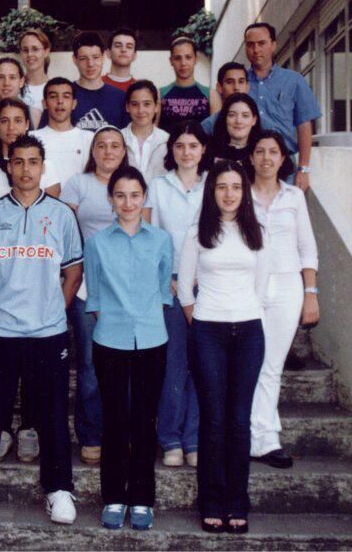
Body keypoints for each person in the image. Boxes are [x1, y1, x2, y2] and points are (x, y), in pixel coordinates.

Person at [0, 134, 83, 525]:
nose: (26, 169)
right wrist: (1, 303)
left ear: (43, 167)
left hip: (47, 332)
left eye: (33, 162)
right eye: (19, 161)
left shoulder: (61, 215)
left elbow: (73, 273)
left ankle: (58, 489)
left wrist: (51, 311)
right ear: (9, 166)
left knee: (53, 414)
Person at [178, 159, 268, 534]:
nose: (229, 194)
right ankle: (212, 502)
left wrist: (243, 315)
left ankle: (237, 502)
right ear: (211, 192)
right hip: (208, 332)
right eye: (221, 187)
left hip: (249, 332)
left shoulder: (257, 232)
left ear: (244, 192)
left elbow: (261, 288)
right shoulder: (197, 234)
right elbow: (185, 290)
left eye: (235, 187)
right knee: (213, 418)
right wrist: (203, 323)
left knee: (239, 420)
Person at [84, 166, 172, 531]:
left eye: (135, 195)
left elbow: (164, 289)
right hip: (110, 339)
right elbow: (94, 295)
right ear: (111, 199)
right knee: (115, 419)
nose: (128, 202)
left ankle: (142, 499)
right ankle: (114, 497)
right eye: (120, 195)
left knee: (145, 420)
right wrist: (116, 321)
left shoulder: (161, 240)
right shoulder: (97, 243)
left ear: (144, 197)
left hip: (152, 338)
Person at [248, 130, 319, 469]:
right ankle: (253, 434)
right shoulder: (239, 193)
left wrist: (310, 294)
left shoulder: (294, 197)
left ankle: (265, 439)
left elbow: (307, 247)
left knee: (272, 364)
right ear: (251, 157)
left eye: (273, 152)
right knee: (252, 362)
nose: (266, 158)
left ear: (282, 158)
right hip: (248, 286)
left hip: (288, 286)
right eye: (260, 151)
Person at [61, 125, 129, 465]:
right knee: (89, 363)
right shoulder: (79, 183)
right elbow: (64, 229)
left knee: (126, 362)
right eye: (101, 145)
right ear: (93, 151)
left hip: (127, 288)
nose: (108, 151)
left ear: (124, 151)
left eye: (115, 145)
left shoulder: (133, 183)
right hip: (88, 285)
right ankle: (90, 434)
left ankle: (121, 432)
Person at [144, 120, 208, 469]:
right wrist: (162, 279)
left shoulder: (213, 185)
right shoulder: (158, 186)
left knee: (201, 364)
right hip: (168, 283)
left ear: (203, 150)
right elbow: (149, 235)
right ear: (172, 150)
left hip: (207, 283)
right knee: (173, 364)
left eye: (193, 145)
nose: (186, 152)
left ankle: (194, 439)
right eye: (180, 145)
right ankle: (170, 438)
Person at [244, 22, 322, 191]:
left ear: (273, 45)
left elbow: (304, 125)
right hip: (248, 166)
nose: (256, 50)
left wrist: (304, 168)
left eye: (262, 43)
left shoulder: (294, 81)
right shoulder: (240, 82)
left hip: (285, 167)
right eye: (250, 44)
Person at [0, 98, 61, 214]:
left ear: (27, 124)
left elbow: (53, 215)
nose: (11, 127)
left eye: (18, 121)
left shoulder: (45, 167)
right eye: (5, 121)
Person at [32, 78, 94, 187]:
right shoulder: (32, 138)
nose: (60, 101)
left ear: (74, 103)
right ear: (44, 103)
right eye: (53, 96)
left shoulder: (89, 138)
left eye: (66, 96)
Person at [69, 31, 128, 131]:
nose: (90, 64)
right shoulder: (65, 96)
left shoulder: (120, 97)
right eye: (83, 58)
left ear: (103, 57)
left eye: (95, 57)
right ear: (74, 60)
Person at [158, 37, 216, 134]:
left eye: (188, 57)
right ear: (171, 61)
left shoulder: (211, 95)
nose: (183, 63)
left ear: (196, 59)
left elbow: (217, 133)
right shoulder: (160, 94)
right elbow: (153, 131)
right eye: (178, 58)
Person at [201, 61, 276, 135]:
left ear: (247, 87)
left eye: (241, 82)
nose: (236, 87)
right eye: (230, 82)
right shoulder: (208, 126)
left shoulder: (262, 123)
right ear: (219, 87)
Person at [0, 58, 42, 138]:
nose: (6, 83)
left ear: (21, 82)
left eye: (12, 77)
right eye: (1, 77)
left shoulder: (34, 114)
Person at [121, 80, 169, 183]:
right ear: (127, 107)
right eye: (135, 104)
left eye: (147, 104)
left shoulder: (167, 140)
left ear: (156, 107)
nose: (141, 110)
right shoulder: (118, 139)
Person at [211, 94, 263, 164]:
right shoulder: (209, 149)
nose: (238, 121)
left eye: (245, 116)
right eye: (232, 115)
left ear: (254, 120)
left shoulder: (261, 151)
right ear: (224, 118)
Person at [19, 28, 52, 108]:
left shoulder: (54, 88)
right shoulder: (14, 88)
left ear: (46, 52)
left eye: (35, 49)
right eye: (25, 50)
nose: (30, 54)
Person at [102, 27, 137, 92]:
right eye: (118, 46)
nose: (123, 50)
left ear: (135, 55)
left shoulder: (140, 89)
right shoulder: (95, 85)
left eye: (129, 47)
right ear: (108, 53)